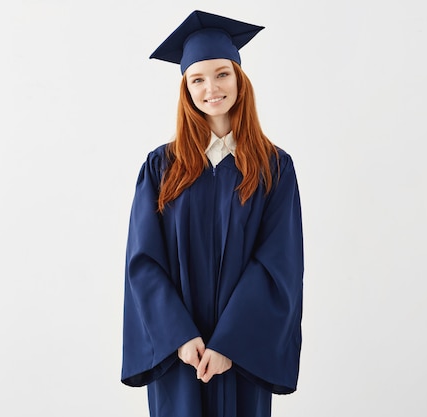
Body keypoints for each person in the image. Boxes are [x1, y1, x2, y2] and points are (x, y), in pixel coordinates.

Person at [120, 10, 304, 417]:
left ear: (240, 78)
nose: (211, 88)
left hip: (241, 354)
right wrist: (181, 338)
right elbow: (144, 262)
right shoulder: (161, 167)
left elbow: (279, 261)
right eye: (197, 79)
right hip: (182, 355)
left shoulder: (274, 167)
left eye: (222, 74)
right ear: (186, 89)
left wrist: (228, 344)